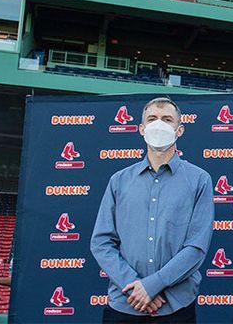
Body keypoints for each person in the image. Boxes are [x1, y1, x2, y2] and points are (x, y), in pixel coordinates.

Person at [91, 97, 214, 323]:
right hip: (125, 303)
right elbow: (101, 242)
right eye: (152, 119)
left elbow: (196, 247)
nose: (159, 125)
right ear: (141, 129)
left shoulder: (199, 180)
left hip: (176, 306)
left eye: (167, 119)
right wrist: (136, 287)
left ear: (179, 130)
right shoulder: (119, 181)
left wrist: (153, 286)